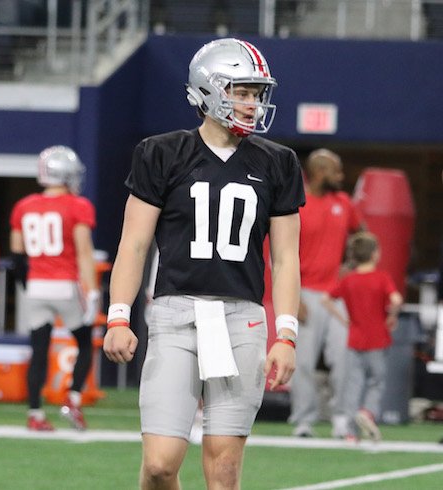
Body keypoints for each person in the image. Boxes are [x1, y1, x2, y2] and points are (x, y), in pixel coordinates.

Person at [103, 38, 302, 489]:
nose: (252, 104)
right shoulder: (162, 152)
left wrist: (286, 333)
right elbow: (133, 245)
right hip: (176, 313)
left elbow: (286, 259)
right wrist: (118, 315)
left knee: (224, 468)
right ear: (208, 90)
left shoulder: (279, 162)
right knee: (159, 465)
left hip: (242, 320)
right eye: (242, 91)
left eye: (256, 94)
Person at [9, 145, 99, 431]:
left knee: (39, 350)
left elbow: (16, 252)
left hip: (36, 286)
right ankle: (73, 398)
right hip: (65, 286)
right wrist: (93, 290)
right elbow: (84, 252)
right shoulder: (78, 205)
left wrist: (29, 284)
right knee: (85, 343)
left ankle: (35, 413)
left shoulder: (24, 206)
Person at [289, 148, 364, 438]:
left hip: (336, 297)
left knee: (344, 358)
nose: (341, 177)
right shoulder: (298, 204)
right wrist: (293, 296)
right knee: (304, 361)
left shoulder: (344, 203)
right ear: (319, 173)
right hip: (305, 293)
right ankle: (304, 421)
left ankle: (342, 419)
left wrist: (351, 266)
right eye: (336, 171)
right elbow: (283, 253)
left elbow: (364, 237)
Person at [322, 232, 403, 442]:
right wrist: (391, 317)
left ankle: (350, 431)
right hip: (378, 339)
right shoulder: (382, 278)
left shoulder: (349, 280)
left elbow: (326, 299)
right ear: (375, 254)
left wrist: (343, 320)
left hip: (355, 339)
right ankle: (368, 412)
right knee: (376, 381)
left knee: (353, 385)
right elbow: (396, 299)